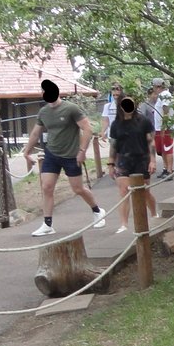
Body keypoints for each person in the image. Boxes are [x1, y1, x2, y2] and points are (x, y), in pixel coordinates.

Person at [21, 79, 106, 237]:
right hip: (52, 154)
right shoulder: (44, 112)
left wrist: (82, 151)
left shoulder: (71, 109)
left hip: (71, 155)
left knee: (78, 189)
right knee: (47, 187)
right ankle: (47, 224)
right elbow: (35, 133)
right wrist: (27, 152)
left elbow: (87, 129)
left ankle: (97, 211)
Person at [107, 96, 158, 233]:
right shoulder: (116, 124)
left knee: (144, 192)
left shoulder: (143, 121)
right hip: (123, 160)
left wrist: (152, 160)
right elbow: (113, 145)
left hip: (141, 159)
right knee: (124, 191)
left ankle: (154, 214)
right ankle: (124, 224)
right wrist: (111, 163)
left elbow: (151, 142)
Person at [148, 77, 174, 179]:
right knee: (162, 149)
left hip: (165, 127)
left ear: (157, 86)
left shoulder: (165, 95)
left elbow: (165, 110)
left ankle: (169, 170)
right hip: (159, 127)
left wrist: (164, 125)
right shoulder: (161, 96)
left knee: (167, 148)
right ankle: (165, 168)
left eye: (154, 87)